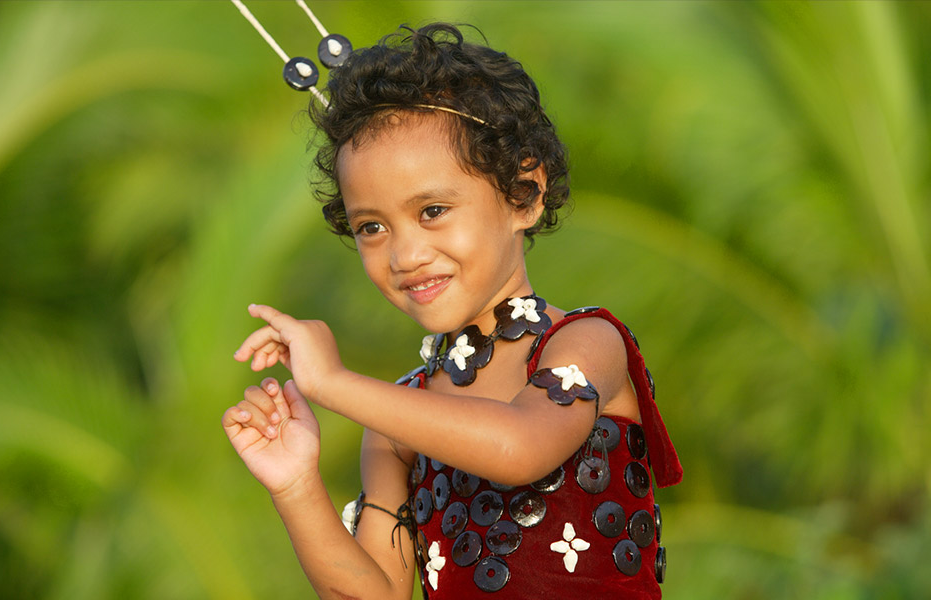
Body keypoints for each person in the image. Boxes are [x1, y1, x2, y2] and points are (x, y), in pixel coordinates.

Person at [224, 23, 681, 599]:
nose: (405, 255)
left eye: (433, 211)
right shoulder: (395, 418)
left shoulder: (585, 343)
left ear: (524, 195)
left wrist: (335, 384)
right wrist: (295, 485)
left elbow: (519, 448)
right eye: (372, 227)